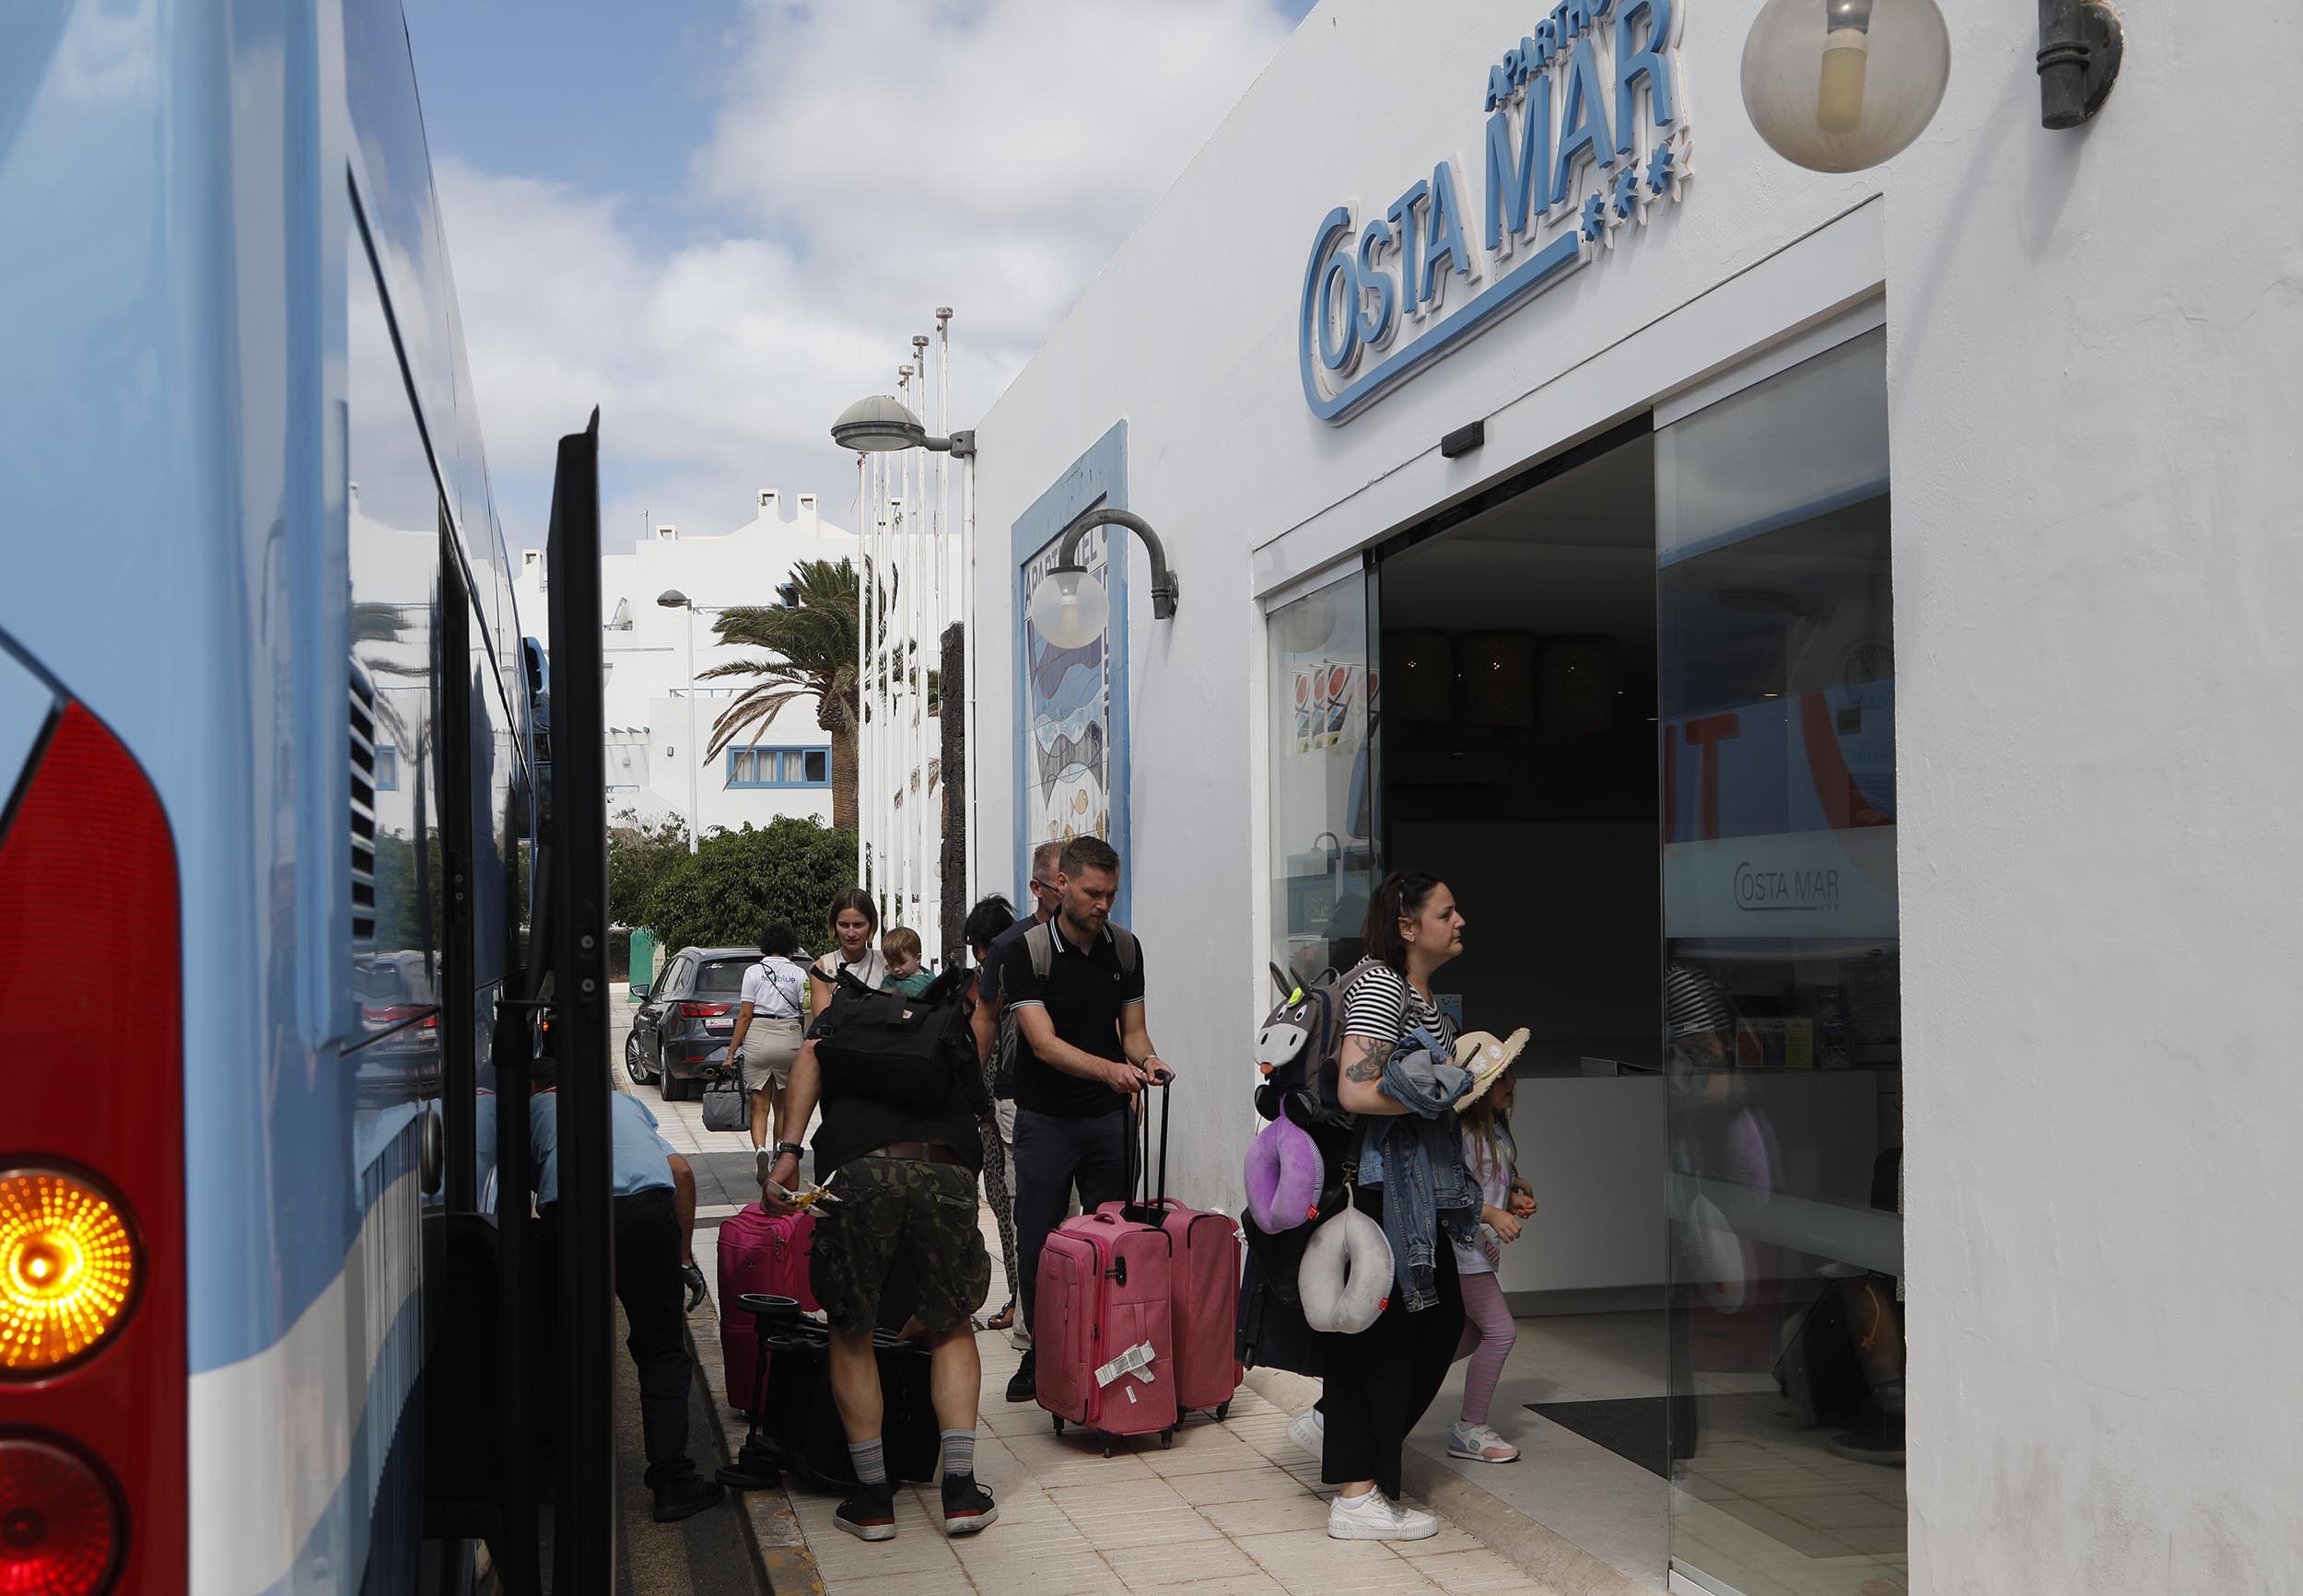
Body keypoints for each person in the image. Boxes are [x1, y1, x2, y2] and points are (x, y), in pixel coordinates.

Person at [763, 967, 999, 1543]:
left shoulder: (840, 1014)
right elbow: (977, 1097)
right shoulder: (944, 1019)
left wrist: (789, 1153)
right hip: (945, 1165)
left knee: (851, 1326)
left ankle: (872, 1500)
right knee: (949, 1324)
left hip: (861, 1167)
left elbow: (808, 1065)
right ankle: (961, 1492)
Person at [1292, 870, 1469, 1541]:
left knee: (1429, 1322)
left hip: (1416, 1186)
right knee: (1385, 1337)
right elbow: (1356, 1090)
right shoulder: (1381, 986)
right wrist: (1436, 1095)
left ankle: (1343, 1445)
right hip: (1379, 1187)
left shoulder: (1422, 996)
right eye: (1447, 911)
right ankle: (1357, 1493)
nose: (1460, 921)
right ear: (1407, 925)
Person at [997, 836, 1175, 1404]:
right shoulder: (1026, 953)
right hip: (1045, 1118)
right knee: (1039, 1240)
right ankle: (1042, 1355)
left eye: (1112, 894)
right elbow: (1044, 1045)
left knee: (1116, 1239)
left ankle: (1108, 1349)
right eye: (1094, 893)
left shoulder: (1125, 949)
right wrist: (1112, 1072)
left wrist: (1146, 1060)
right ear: (1063, 883)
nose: (1104, 905)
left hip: (1109, 1120)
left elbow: (1134, 1032)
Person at [530, 1058, 724, 1521]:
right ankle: (673, 1481)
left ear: (537, 1086)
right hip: (645, 1216)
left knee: (557, 1344)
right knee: (661, 1349)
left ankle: (553, 1475)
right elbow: (681, 1173)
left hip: (573, 1220)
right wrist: (681, 1259)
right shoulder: (624, 1103)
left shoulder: (533, 1108)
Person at [968, 841, 1063, 1334]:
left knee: (1076, 1217)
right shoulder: (1012, 948)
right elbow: (986, 1025)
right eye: (1060, 884)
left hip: (1082, 1103)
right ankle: (1030, 1323)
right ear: (1038, 888)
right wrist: (972, 1094)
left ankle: (1074, 1322)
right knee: (1026, 1207)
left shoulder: (1108, 942)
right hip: (1016, 1098)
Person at [1448, 1066, 1536, 1463]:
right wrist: (1490, 1214)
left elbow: (1491, 1182)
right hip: (1462, 1251)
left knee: (1464, 1337)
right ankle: (1469, 1428)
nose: (1513, 1083)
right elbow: (1451, 1198)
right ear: (1482, 1089)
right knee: (1500, 1333)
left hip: (1479, 1252)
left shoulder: (1497, 1132)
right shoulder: (1461, 1136)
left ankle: (1393, 1388)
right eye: (1503, 1077)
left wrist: (1511, 1199)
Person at [961, 894, 1023, 1332]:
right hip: (985, 1111)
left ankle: (1024, 1301)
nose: (983, 954)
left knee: (1023, 1207)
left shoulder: (1023, 974)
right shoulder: (974, 984)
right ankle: (1016, 1297)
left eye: (988, 944)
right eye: (976, 946)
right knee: (1000, 1204)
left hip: (1018, 1104)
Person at [730, 922, 810, 1187]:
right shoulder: (798, 974)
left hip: (758, 1035)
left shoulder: (753, 972)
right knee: (783, 1107)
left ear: (765, 945)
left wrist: (731, 1053)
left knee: (759, 1105)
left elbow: (745, 1015)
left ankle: (760, 1149)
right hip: (789, 1035)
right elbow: (805, 1010)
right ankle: (778, 1156)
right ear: (790, 946)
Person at [809, 885, 888, 1003]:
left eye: (858, 925)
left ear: (871, 925)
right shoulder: (821, 969)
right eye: (844, 925)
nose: (851, 933)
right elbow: (822, 1019)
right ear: (834, 925)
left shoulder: (888, 965)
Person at [881, 926, 934, 996]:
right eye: (891, 964)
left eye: (902, 962)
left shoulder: (928, 981)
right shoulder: (889, 981)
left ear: (917, 958)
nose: (896, 969)